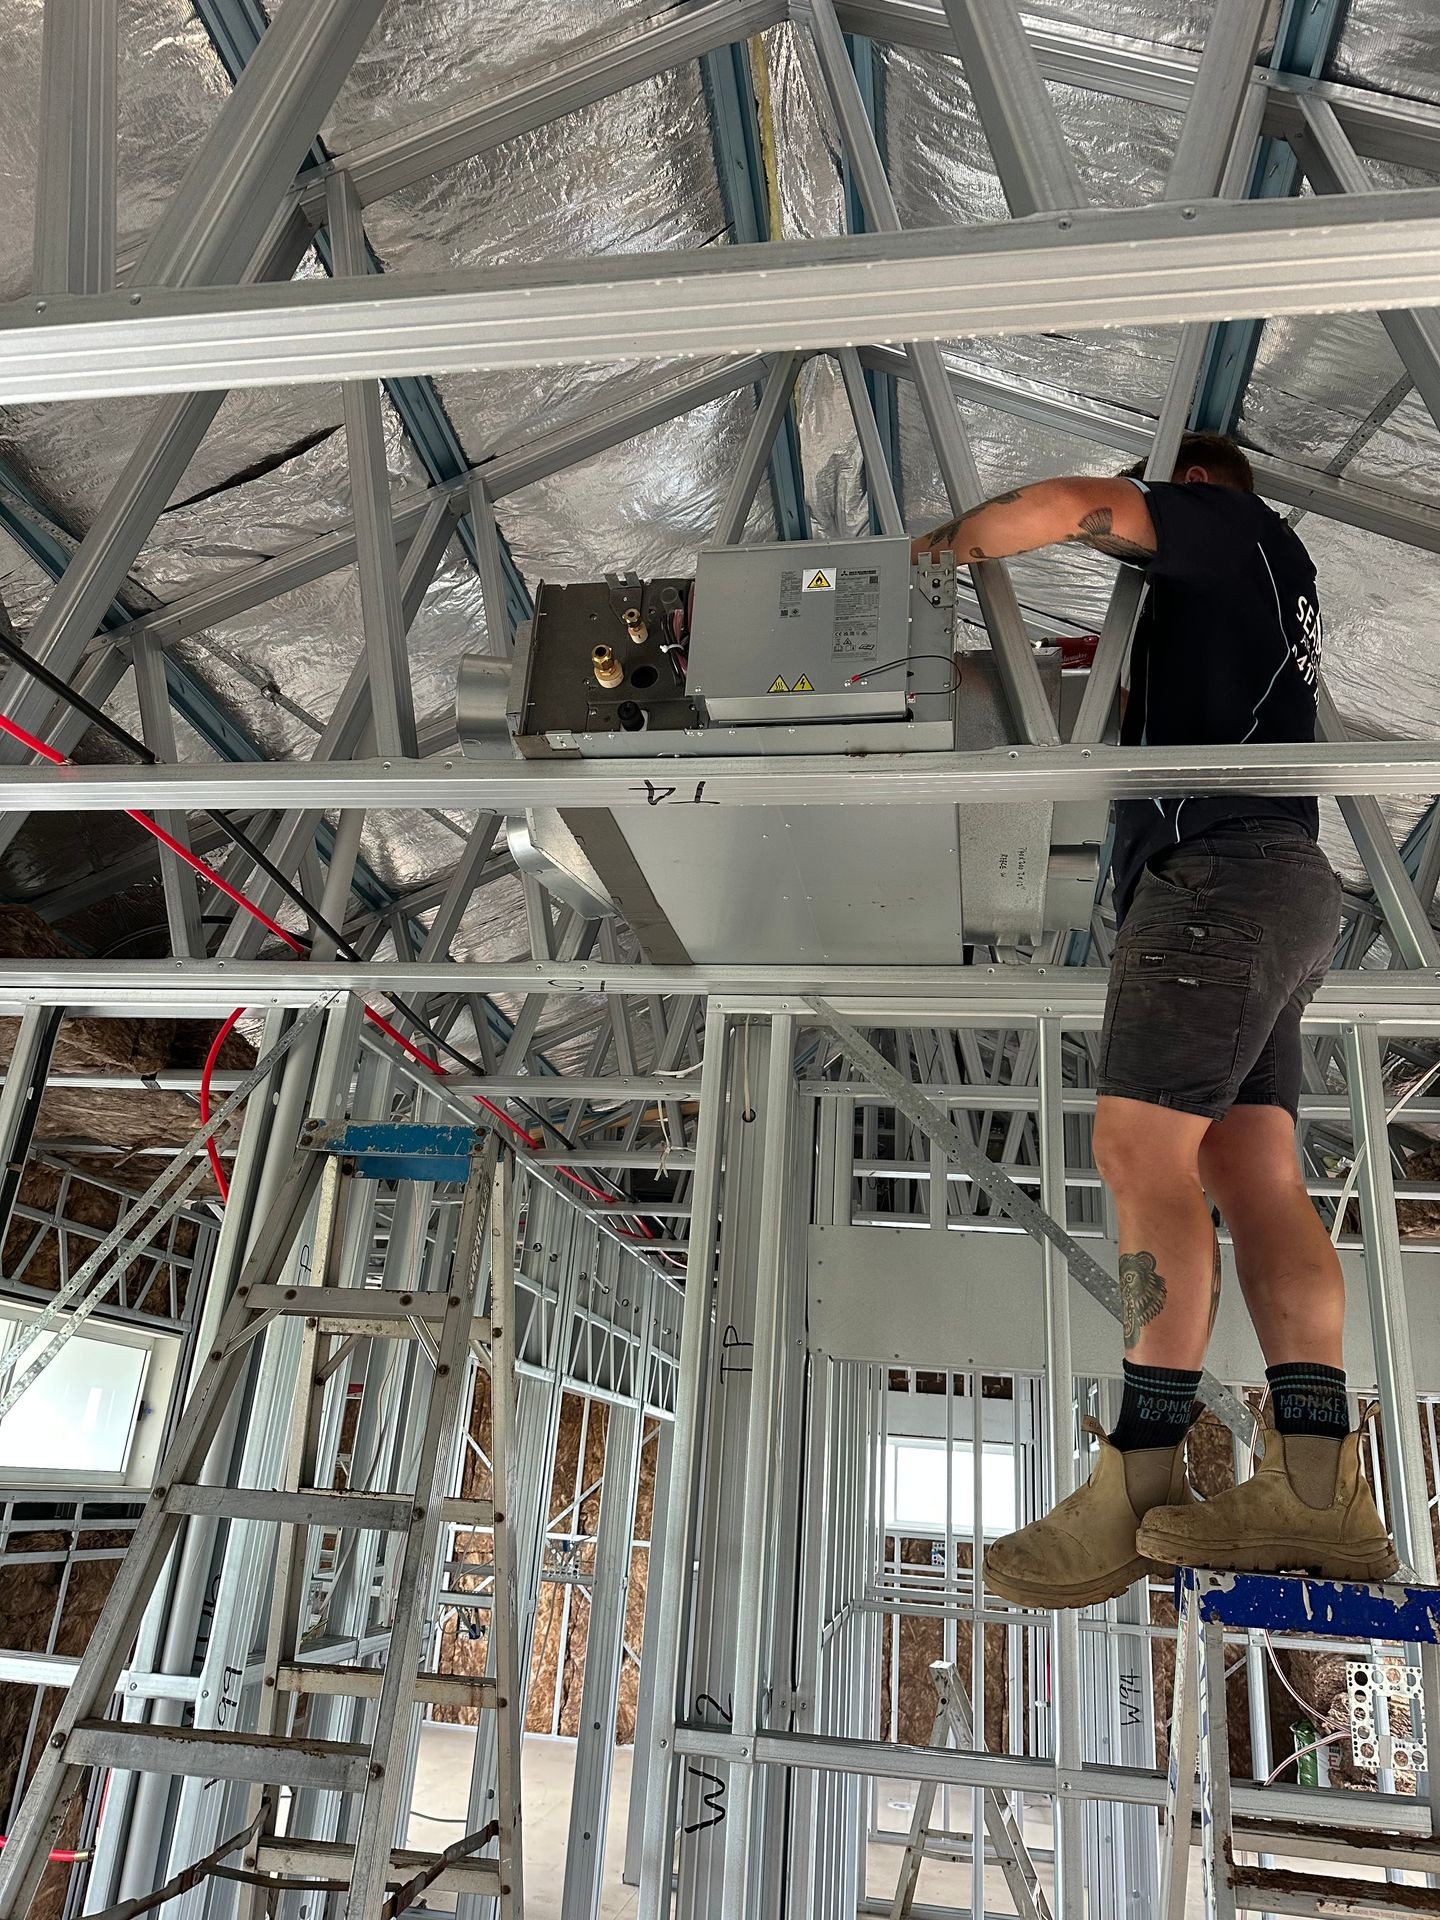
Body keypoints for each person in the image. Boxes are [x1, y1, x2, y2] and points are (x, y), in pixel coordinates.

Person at [911, 432, 1396, 1609]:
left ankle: (1136, 1475)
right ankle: (1317, 1482)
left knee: (1138, 1150)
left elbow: (1077, 508)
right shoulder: (1269, 601)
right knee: (1253, 1170)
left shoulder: (1228, 532)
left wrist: (940, 548)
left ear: (1200, 486)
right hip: (1276, 885)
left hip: (1218, 885)